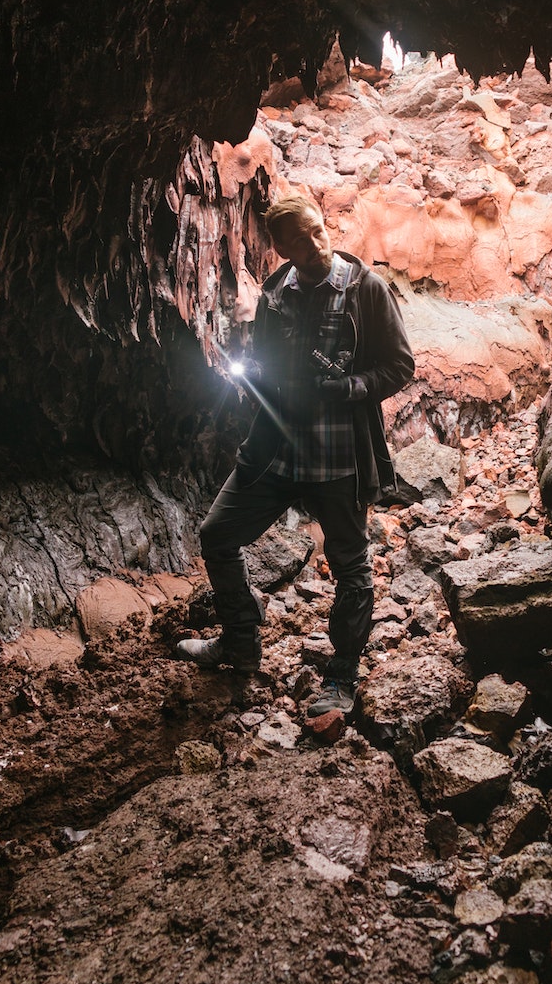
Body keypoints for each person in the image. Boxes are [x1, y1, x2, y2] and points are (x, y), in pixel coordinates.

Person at [177, 195, 415, 717]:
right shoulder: (274, 295)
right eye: (299, 240)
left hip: (339, 459)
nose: (314, 245)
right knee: (218, 535)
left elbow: (400, 367)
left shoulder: (364, 291)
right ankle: (241, 644)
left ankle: (342, 676)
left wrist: (349, 386)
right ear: (279, 247)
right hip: (275, 454)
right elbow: (261, 362)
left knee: (351, 568)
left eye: (317, 231)